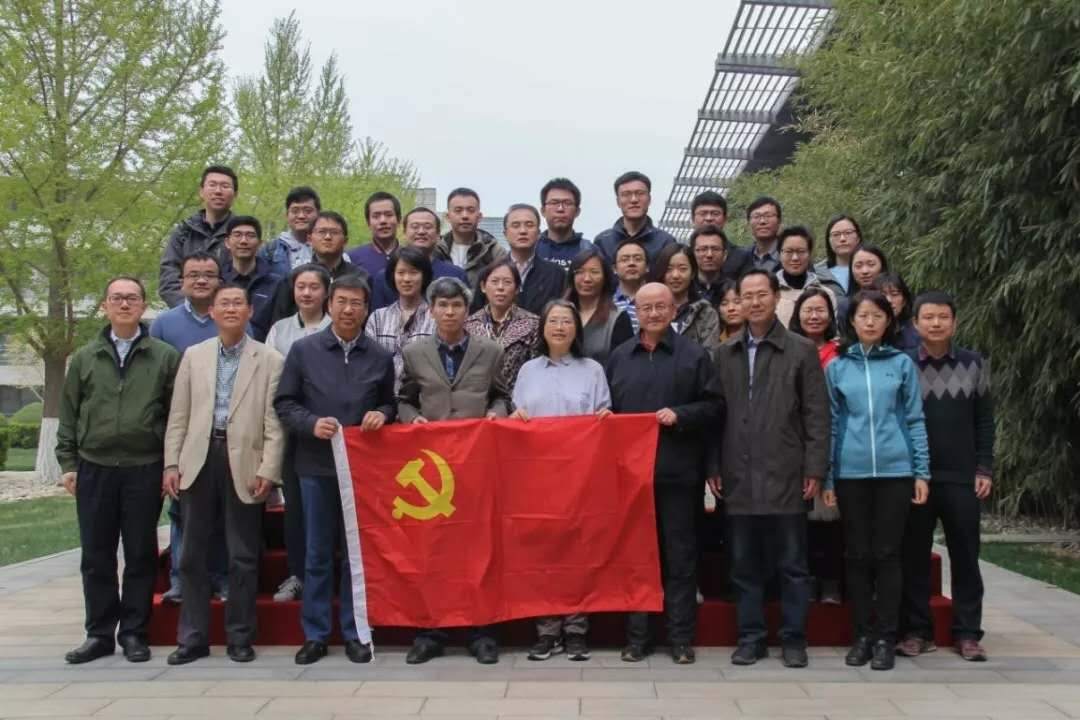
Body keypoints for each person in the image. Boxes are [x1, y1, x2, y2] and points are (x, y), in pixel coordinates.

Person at [57, 276, 180, 664]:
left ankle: (134, 633)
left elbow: (175, 416)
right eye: (117, 298)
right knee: (96, 555)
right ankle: (98, 634)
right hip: (94, 467)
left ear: (143, 306)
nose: (124, 304)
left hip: (144, 468)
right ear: (105, 306)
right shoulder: (85, 358)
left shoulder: (164, 356)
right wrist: (68, 463)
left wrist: (169, 464)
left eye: (131, 298)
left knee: (141, 554)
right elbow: (69, 413)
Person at [711, 269, 830, 669]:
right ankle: (751, 638)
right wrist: (714, 465)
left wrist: (815, 468)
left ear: (776, 297)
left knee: (793, 564)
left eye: (762, 294)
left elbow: (816, 415)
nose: (754, 302)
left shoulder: (800, 350)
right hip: (738, 472)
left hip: (786, 471)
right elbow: (715, 415)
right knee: (744, 564)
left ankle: (794, 639)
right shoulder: (724, 353)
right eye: (746, 296)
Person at [274, 275, 395, 666]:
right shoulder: (304, 351)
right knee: (318, 553)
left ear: (366, 309)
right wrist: (311, 423)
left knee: (355, 556)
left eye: (356, 303)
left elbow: (390, 403)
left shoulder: (379, 356)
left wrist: (382, 414)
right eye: (341, 301)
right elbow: (285, 403)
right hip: (315, 466)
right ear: (329, 305)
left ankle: (356, 632)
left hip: (361, 471)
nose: (348, 309)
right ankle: (316, 634)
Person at [162, 284, 285, 665]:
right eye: (224, 304)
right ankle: (193, 638)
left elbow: (274, 423)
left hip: (245, 462)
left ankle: (240, 637)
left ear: (250, 311)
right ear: (212, 312)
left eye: (238, 303)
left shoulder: (270, 359)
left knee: (243, 555)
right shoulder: (194, 355)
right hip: (198, 459)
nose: (231, 309)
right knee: (192, 555)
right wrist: (171, 464)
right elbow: (179, 415)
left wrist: (269, 469)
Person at [397, 276, 511, 665]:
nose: (450, 312)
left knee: (480, 550)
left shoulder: (490, 350)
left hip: (478, 465)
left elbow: (501, 395)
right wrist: (411, 419)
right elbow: (404, 399)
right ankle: (431, 632)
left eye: (457, 305)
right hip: (434, 470)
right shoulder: (414, 352)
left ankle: (483, 632)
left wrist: (496, 414)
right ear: (431, 310)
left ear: (467, 310)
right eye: (442, 306)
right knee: (432, 550)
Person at [606, 283, 721, 665]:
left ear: (674, 311)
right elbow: (608, 410)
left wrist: (681, 415)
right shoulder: (620, 357)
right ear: (635, 312)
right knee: (637, 558)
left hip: (678, 475)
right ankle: (637, 638)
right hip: (631, 479)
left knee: (680, 558)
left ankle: (681, 639)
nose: (653, 313)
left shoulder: (694, 355)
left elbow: (715, 406)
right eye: (646, 307)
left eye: (661, 307)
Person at [822, 290, 930, 672]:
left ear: (888, 321)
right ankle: (862, 636)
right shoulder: (837, 367)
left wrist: (921, 471)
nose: (870, 321)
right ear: (851, 321)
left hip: (895, 472)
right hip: (850, 474)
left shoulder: (901, 364)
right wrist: (829, 477)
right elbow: (831, 424)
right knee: (856, 555)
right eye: (863, 315)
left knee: (887, 555)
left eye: (877, 315)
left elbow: (915, 419)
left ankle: (886, 636)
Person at [512, 300, 611, 662]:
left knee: (578, 553)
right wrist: (515, 418)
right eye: (552, 320)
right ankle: (547, 630)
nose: (559, 327)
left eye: (566, 321)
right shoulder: (528, 371)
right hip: (538, 479)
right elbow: (517, 415)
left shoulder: (593, 370)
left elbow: (603, 417)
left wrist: (605, 418)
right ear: (543, 328)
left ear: (576, 329)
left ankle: (576, 629)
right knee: (544, 554)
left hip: (580, 477)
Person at [899, 291, 995, 662]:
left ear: (954, 322)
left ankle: (968, 633)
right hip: (916, 478)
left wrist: (984, 467)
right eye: (928, 317)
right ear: (915, 323)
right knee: (914, 556)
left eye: (943, 317)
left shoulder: (975, 363)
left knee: (966, 556)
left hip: (962, 476)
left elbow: (984, 421)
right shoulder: (903, 363)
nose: (936, 323)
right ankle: (917, 631)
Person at [150, 251, 234, 604]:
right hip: (183, 431)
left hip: (227, 432)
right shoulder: (164, 325)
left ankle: (221, 578)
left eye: (209, 275)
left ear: (219, 281)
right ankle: (181, 579)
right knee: (182, 512)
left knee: (224, 512)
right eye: (193, 274)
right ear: (181, 281)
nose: (201, 280)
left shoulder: (230, 318)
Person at [263, 264, 333, 603]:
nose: (306, 293)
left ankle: (333, 575)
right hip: (292, 428)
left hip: (332, 428)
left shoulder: (338, 325)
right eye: (300, 286)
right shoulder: (279, 329)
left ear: (326, 291)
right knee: (296, 508)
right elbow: (271, 380)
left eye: (314, 287)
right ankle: (297, 575)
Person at [788, 288, 844, 605]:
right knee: (800, 521)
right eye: (807, 310)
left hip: (833, 439)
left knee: (830, 517)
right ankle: (805, 580)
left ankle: (831, 582)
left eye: (820, 310)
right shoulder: (788, 350)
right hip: (795, 442)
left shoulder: (841, 354)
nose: (813, 316)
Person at [269, 211, 368, 323]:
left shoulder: (360, 277)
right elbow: (280, 321)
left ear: (345, 241)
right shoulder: (295, 278)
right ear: (309, 239)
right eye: (321, 232)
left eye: (334, 232)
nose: (327, 237)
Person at [159, 165, 237, 307]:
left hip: (228, 312)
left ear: (235, 194)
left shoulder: (242, 235)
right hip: (185, 312)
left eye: (225, 186)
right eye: (212, 185)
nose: (218, 191)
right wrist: (190, 310)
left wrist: (221, 310)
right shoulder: (183, 232)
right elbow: (168, 278)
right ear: (201, 192)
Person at [464, 259, 540, 394]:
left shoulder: (533, 324)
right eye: (494, 281)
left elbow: (537, 369)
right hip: (478, 398)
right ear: (483, 287)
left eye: (507, 282)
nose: (500, 287)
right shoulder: (468, 325)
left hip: (517, 399)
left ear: (517, 288)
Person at [365, 246, 436, 389]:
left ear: (424, 276)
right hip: (383, 396)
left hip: (424, 396)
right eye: (401, 272)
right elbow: (369, 362)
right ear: (393, 276)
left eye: (413, 272)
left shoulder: (436, 318)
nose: (406, 279)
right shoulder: (378, 318)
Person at [370, 207, 469, 309]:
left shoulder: (456, 275)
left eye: (428, 227)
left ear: (438, 234)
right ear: (404, 233)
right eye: (415, 227)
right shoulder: (385, 277)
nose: (421, 231)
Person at [564, 248, 634, 365]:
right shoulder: (558, 313)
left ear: (605, 278)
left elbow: (624, 364)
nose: (587, 279)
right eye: (580, 272)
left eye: (594, 272)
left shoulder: (617, 319)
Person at [648, 244, 721, 352]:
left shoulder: (705, 313)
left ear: (693, 273)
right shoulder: (649, 310)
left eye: (682, 269)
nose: (675, 275)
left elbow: (710, 354)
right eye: (669, 269)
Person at [220, 215, 282, 341]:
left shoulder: (277, 284)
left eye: (250, 235)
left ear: (260, 243)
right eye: (237, 235)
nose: (243, 241)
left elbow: (279, 327)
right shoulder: (218, 281)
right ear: (227, 242)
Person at [594, 171, 676, 263]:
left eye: (640, 193)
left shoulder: (665, 241)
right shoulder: (603, 242)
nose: (634, 200)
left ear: (649, 199)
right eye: (626, 194)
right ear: (618, 202)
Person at [434, 188, 507, 287]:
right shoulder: (437, 251)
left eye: (471, 210)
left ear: (479, 216)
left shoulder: (493, 251)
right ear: (447, 216)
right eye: (458, 210)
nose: (465, 216)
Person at [501, 203, 565, 315]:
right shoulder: (490, 274)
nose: (523, 231)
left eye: (529, 225)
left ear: (538, 233)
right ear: (505, 234)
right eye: (516, 225)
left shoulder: (557, 274)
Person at [774, 226, 840, 327]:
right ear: (779, 254)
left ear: (809, 254)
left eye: (801, 251)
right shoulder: (769, 293)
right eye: (789, 251)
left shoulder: (826, 294)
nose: (795, 258)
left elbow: (832, 332)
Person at [258, 186, 320, 278]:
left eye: (307, 211)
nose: (301, 216)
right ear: (286, 215)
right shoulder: (270, 251)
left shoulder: (328, 247)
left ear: (318, 214)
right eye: (295, 211)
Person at [690, 192, 752, 283]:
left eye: (715, 213)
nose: (709, 218)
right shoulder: (685, 256)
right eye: (703, 213)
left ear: (725, 219)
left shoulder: (742, 257)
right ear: (693, 219)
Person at [536, 178, 593, 270]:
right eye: (554, 203)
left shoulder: (589, 250)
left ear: (577, 211)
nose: (560, 209)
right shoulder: (530, 249)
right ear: (543, 211)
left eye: (567, 203)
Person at [347, 191, 401, 277]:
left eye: (389, 215)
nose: (383, 221)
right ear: (368, 223)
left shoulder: (412, 257)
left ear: (399, 220)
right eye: (376, 216)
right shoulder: (351, 258)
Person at [814, 214, 861, 295]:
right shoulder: (815, 274)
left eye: (848, 233)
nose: (842, 239)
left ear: (858, 238)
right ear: (828, 240)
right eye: (836, 234)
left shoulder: (871, 269)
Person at [874, 273, 919, 349]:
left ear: (904, 301)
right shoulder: (863, 332)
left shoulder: (916, 334)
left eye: (894, 294)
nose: (889, 300)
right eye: (882, 295)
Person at [613, 239, 648, 333]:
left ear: (647, 267)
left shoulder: (658, 300)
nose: (631, 263)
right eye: (624, 259)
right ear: (614, 268)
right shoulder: (606, 304)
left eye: (638, 259)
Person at [744, 197, 783, 274]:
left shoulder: (791, 255)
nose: (762, 221)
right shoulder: (741, 257)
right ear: (748, 224)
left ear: (779, 221)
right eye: (756, 216)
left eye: (768, 216)